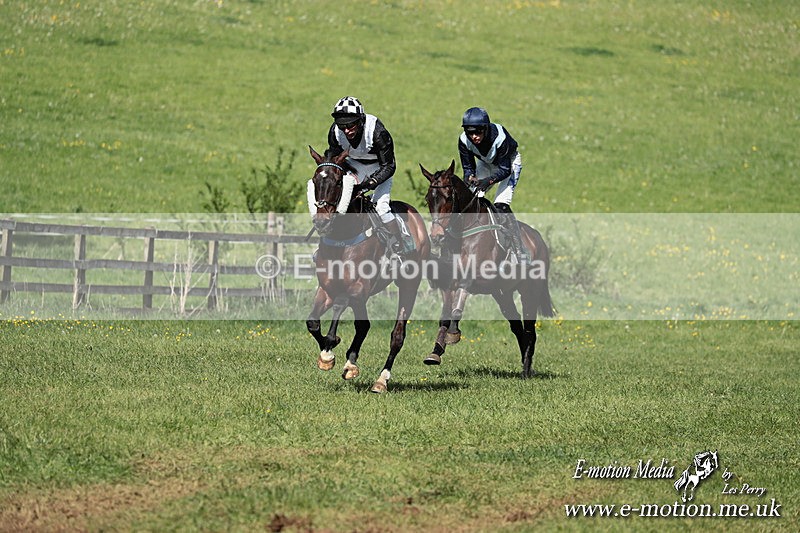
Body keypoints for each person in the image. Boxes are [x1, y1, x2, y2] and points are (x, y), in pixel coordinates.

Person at [325, 96, 414, 255]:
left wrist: (370, 183)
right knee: (336, 204)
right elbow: (334, 158)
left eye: (351, 125)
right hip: (354, 166)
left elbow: (390, 165)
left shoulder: (377, 132)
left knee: (381, 209)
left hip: (379, 169)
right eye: (342, 125)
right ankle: (326, 246)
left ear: (360, 120)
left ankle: (398, 246)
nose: (346, 130)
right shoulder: (335, 132)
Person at [458, 106, 530, 263]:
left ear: (485, 128)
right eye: (470, 132)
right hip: (486, 163)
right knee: (470, 200)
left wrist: (486, 181)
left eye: (478, 132)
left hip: (509, 164)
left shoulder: (500, 138)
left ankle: (519, 249)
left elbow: (504, 170)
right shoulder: (463, 141)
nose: (474, 137)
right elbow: (468, 168)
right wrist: (470, 178)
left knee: (501, 205)